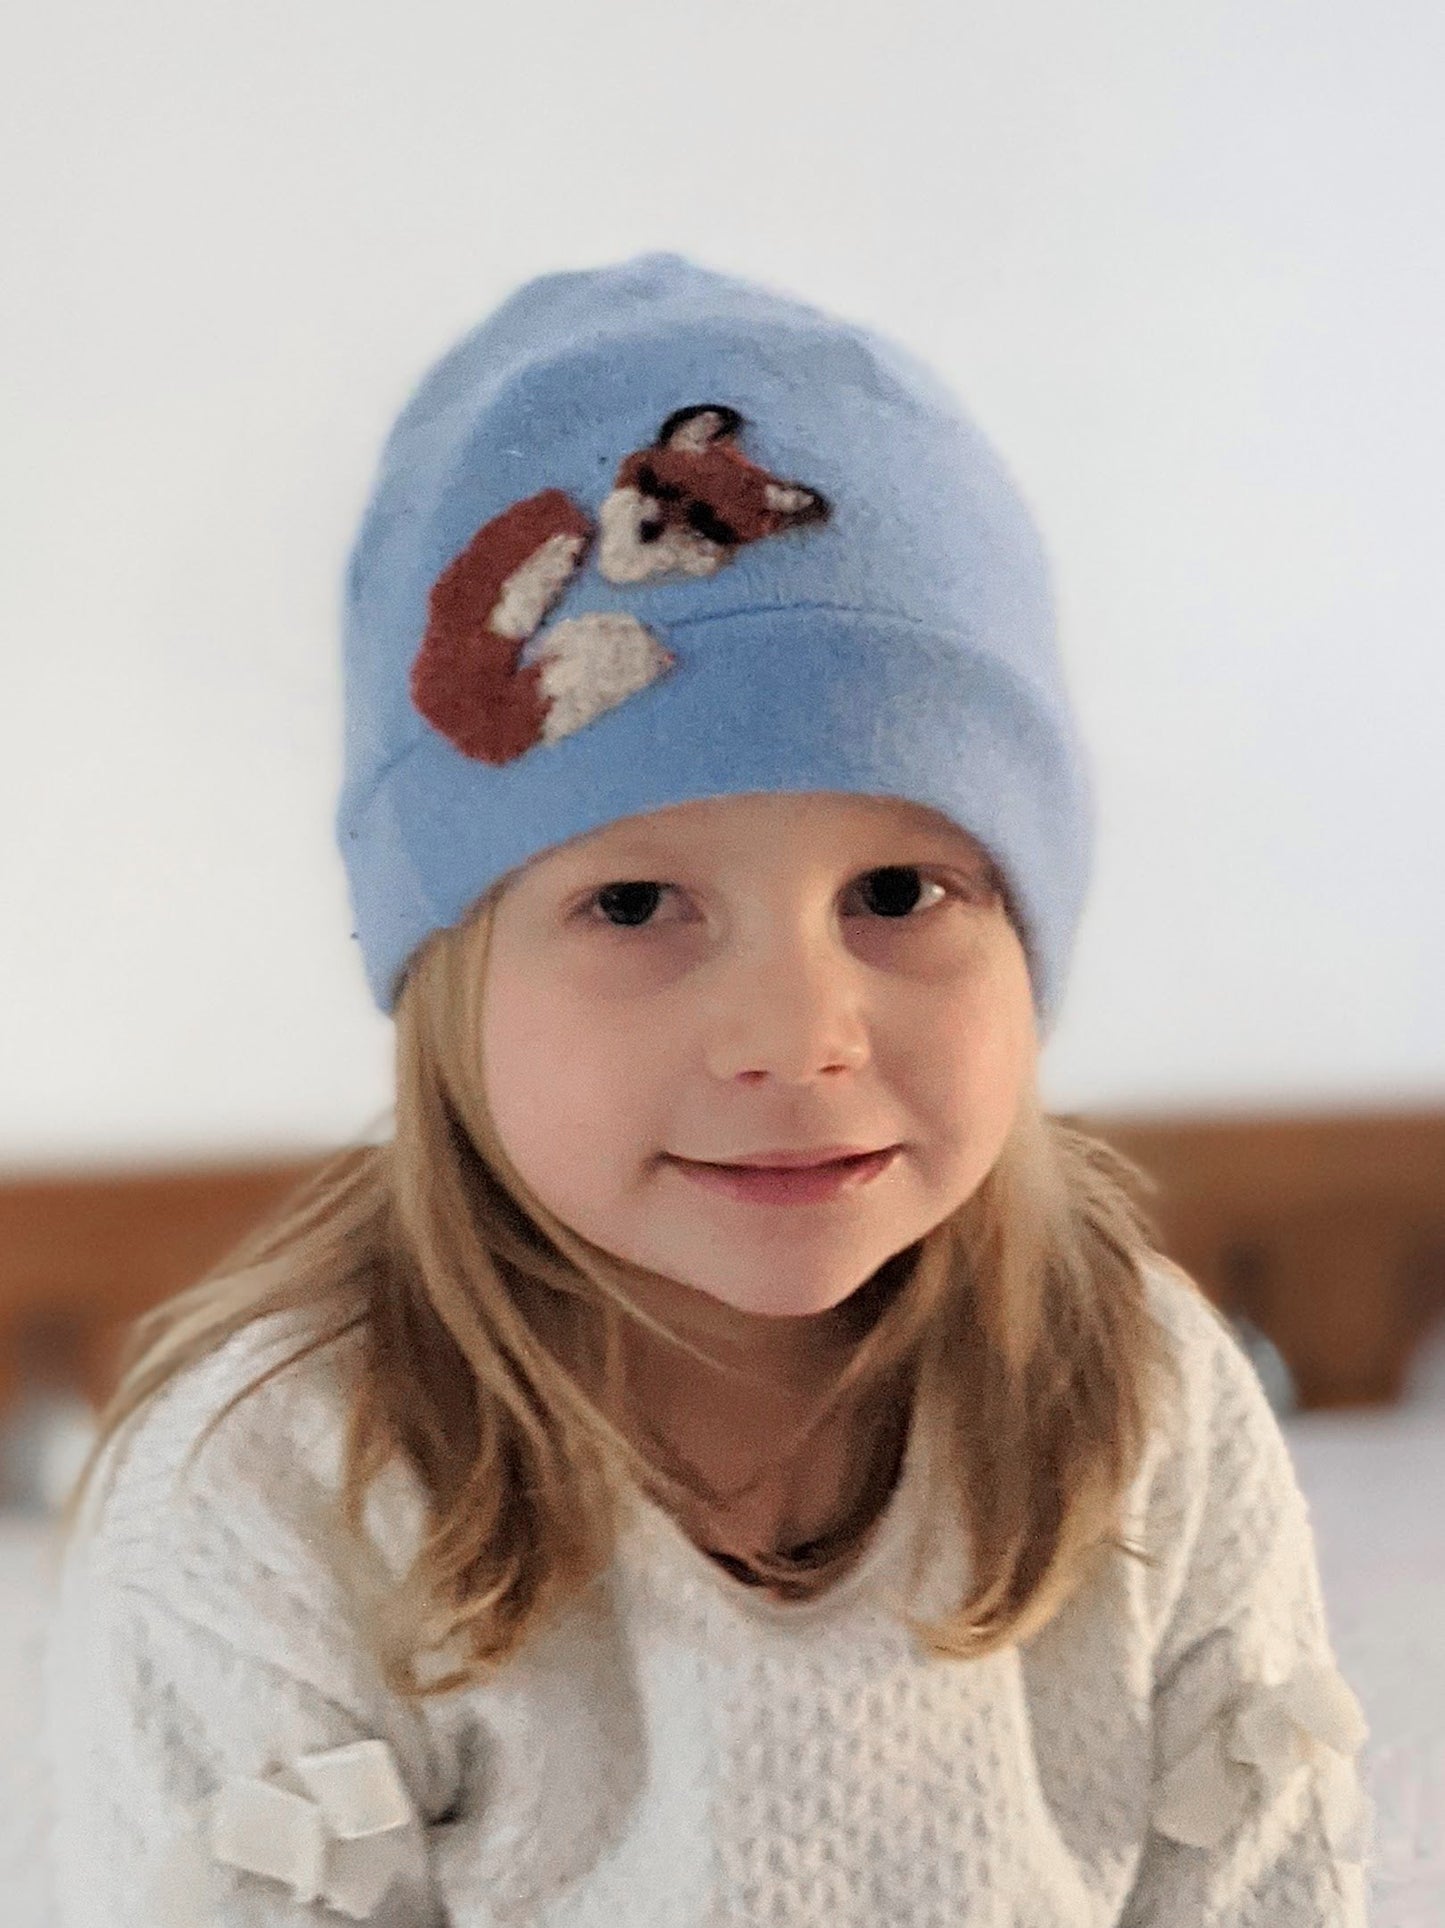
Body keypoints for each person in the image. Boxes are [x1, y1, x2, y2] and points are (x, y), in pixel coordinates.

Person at [41, 252, 1374, 1926]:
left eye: (897, 893)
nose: (796, 1037)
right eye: (631, 905)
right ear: (450, 977)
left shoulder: (1141, 1394)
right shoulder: (273, 1485)